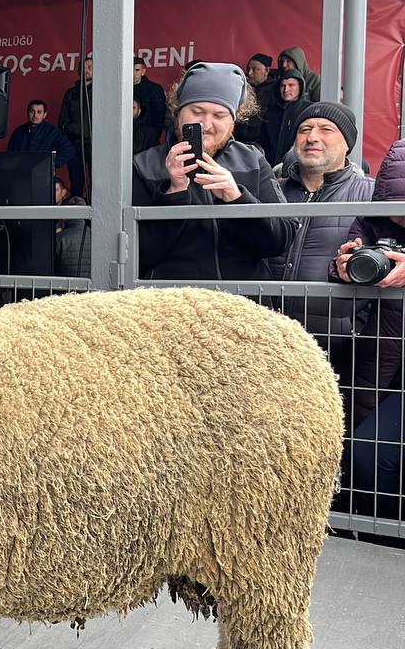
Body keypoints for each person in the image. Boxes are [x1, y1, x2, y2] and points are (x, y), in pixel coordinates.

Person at [132, 61, 295, 280]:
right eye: (196, 112)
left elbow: (279, 242)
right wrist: (174, 193)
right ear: (178, 113)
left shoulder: (254, 160)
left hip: (242, 304)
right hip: (171, 305)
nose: (206, 125)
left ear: (233, 121)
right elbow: (140, 253)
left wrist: (236, 198)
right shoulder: (144, 164)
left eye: (219, 115)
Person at [267, 102, 372, 356]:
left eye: (326, 129)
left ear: (348, 143)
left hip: (338, 351)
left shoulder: (371, 194)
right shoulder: (270, 191)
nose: (312, 137)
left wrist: (356, 327)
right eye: (304, 129)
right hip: (267, 345)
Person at [331, 139, 405, 427]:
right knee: (363, 441)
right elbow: (349, 256)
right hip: (379, 341)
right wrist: (342, 268)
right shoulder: (371, 218)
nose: (398, 219)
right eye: (394, 210)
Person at [58, 53, 92, 197]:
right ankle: (76, 218)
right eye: (83, 67)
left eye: (90, 67)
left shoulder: (103, 92)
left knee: (98, 182)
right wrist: (71, 129)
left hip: (95, 144)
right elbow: (62, 120)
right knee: (76, 183)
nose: (86, 70)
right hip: (75, 144)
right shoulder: (71, 93)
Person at [7, 99, 76, 169]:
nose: (35, 115)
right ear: (27, 113)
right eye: (32, 111)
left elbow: (70, 150)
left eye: (39, 112)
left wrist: (52, 164)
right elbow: (9, 155)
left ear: (44, 115)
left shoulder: (53, 132)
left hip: (43, 174)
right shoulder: (18, 132)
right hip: (21, 173)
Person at [132, 56, 167, 149]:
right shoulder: (122, 90)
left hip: (147, 139)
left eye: (137, 70)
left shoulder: (154, 89)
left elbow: (159, 116)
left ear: (143, 71)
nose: (133, 73)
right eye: (130, 69)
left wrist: (153, 136)